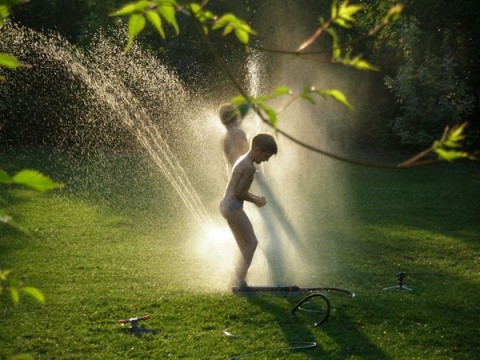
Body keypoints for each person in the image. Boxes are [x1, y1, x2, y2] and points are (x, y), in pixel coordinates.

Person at [219, 133, 278, 292]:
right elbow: (239, 193)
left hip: (226, 205)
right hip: (232, 206)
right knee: (252, 242)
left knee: (244, 245)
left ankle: (235, 280)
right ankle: (238, 283)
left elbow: (239, 191)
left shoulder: (242, 159)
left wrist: (253, 197)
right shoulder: (249, 167)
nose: (266, 160)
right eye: (266, 155)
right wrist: (256, 200)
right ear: (258, 149)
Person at [218, 103, 250, 169]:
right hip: (244, 172)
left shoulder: (224, 137)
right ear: (236, 116)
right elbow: (248, 155)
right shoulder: (239, 133)